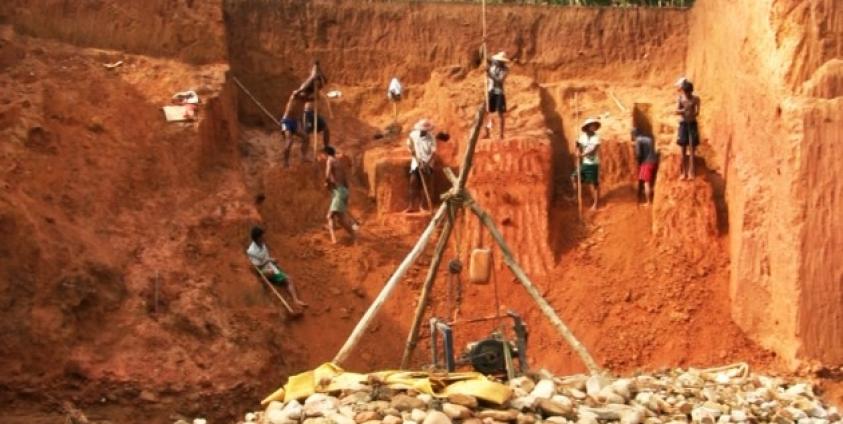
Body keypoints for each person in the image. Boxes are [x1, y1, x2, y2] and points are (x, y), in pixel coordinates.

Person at [246, 226, 307, 307]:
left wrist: (271, 260)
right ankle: (262, 281)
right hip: (262, 270)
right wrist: (269, 261)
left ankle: (296, 300)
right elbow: (257, 266)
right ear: (257, 238)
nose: (264, 238)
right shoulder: (251, 251)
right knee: (272, 273)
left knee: (288, 278)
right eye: (262, 236)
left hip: (269, 266)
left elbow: (265, 257)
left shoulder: (262, 244)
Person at [321, 146, 359, 243]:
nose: (323, 157)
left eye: (323, 154)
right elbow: (344, 179)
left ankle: (339, 238)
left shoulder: (330, 160)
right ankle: (354, 230)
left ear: (326, 153)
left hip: (339, 192)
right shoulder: (339, 162)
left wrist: (326, 183)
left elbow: (327, 174)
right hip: (343, 191)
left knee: (331, 216)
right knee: (341, 218)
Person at [404, 119, 437, 213]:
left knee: (425, 184)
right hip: (416, 163)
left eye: (425, 130)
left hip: (427, 164)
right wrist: (412, 151)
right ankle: (411, 206)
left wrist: (426, 163)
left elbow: (434, 153)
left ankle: (422, 206)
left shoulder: (431, 138)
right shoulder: (413, 135)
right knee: (413, 183)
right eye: (422, 130)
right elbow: (409, 145)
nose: (424, 132)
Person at [571, 117, 602, 211]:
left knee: (593, 184)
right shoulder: (582, 136)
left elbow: (593, 150)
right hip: (585, 163)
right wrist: (577, 150)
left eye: (594, 126)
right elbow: (577, 144)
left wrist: (582, 155)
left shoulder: (596, 138)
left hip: (593, 164)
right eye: (592, 125)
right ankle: (575, 197)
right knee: (574, 177)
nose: (594, 127)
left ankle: (595, 204)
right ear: (588, 127)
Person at [675, 77, 701, 180]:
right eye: (686, 93)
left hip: (692, 124)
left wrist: (694, 113)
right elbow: (676, 111)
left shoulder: (696, 99)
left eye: (689, 93)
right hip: (683, 124)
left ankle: (691, 173)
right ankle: (683, 173)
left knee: (692, 149)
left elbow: (697, 111)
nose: (687, 94)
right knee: (683, 149)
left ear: (691, 91)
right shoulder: (680, 99)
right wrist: (683, 111)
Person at [485, 51, 509, 140]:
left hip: (499, 92)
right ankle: (487, 133)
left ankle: (501, 134)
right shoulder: (492, 66)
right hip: (490, 91)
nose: (499, 63)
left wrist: (490, 75)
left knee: (500, 113)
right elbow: (487, 58)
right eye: (498, 61)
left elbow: (500, 80)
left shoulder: (505, 70)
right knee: (487, 112)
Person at [632, 128, 658, 206]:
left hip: (646, 162)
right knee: (651, 181)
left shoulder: (638, 140)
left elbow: (639, 154)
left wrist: (638, 162)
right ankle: (652, 197)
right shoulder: (649, 139)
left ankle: (648, 202)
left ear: (633, 135)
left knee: (646, 182)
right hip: (654, 161)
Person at [280, 94, 307, 166]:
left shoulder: (304, 103)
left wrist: (302, 127)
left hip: (295, 123)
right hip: (287, 121)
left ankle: (303, 157)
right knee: (289, 141)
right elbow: (297, 92)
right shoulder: (294, 97)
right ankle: (285, 162)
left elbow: (315, 98)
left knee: (306, 137)